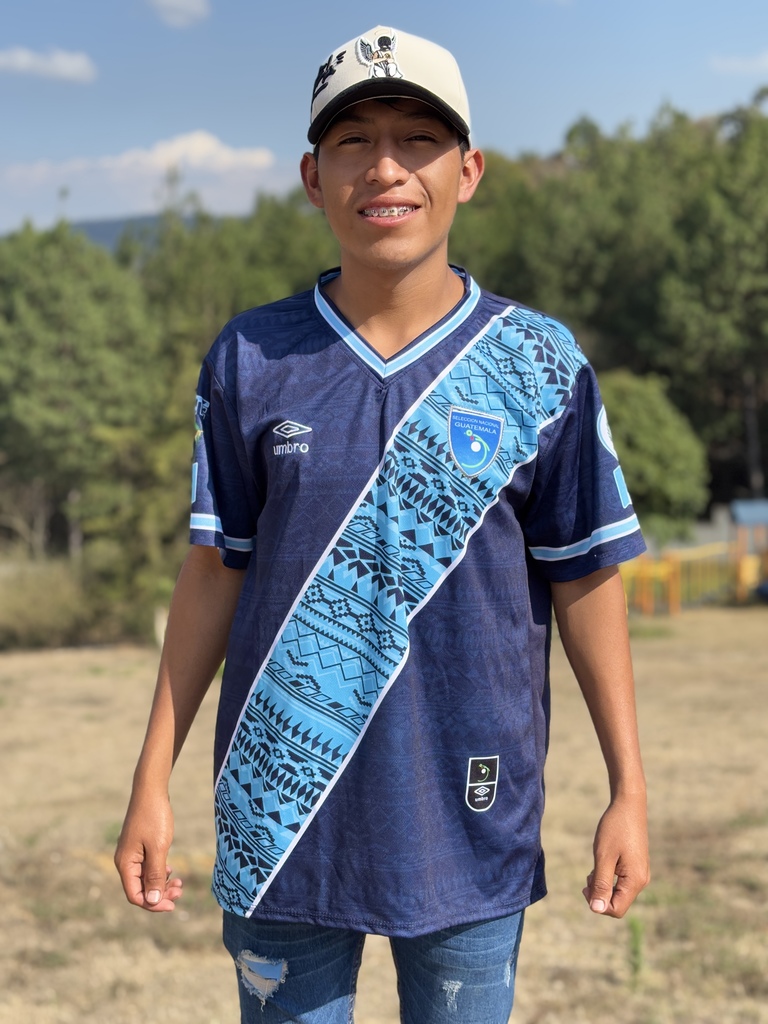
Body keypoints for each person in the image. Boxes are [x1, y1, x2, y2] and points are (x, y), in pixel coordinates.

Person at [115, 25, 650, 1024]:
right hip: (281, 821)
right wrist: (152, 778)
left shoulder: (540, 365)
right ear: (313, 178)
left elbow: (586, 575)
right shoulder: (251, 357)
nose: (387, 168)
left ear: (468, 172)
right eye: (354, 141)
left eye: (419, 139)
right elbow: (215, 570)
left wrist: (629, 787)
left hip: (469, 816)